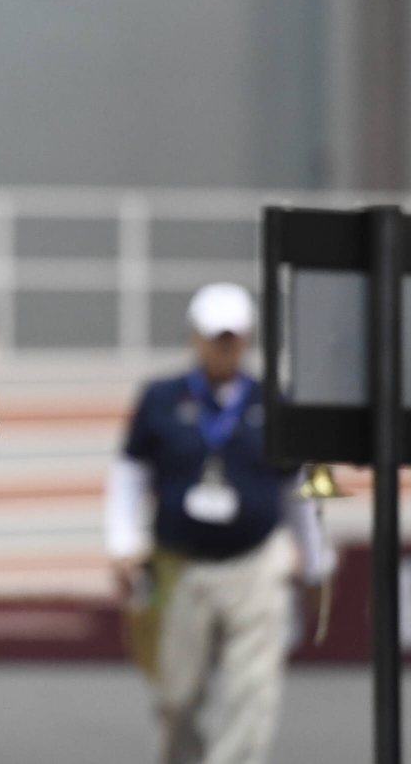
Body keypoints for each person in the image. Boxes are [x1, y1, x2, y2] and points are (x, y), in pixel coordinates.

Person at [104, 282, 334, 764]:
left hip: (256, 562)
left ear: (247, 338)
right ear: (195, 336)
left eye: (233, 337)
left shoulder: (274, 402)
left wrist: (316, 565)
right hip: (180, 565)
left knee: (254, 691)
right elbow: (129, 474)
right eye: (216, 337)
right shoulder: (161, 398)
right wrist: (122, 544)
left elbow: (299, 489)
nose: (225, 346)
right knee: (177, 697)